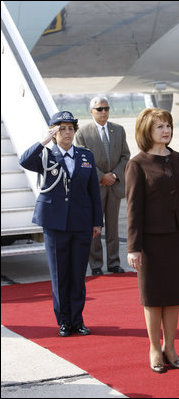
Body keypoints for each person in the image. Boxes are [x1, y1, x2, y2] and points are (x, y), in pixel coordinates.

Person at [125, 108, 179, 373]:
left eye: (168, 125)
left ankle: (171, 346)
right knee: (153, 297)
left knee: (174, 296)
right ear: (147, 131)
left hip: (177, 237)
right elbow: (133, 209)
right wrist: (133, 247)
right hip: (150, 242)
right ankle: (155, 349)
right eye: (159, 127)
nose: (166, 130)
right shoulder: (137, 164)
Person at [19, 111, 103, 337]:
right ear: (54, 132)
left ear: (75, 132)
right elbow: (24, 160)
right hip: (55, 224)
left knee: (77, 274)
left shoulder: (85, 156)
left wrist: (97, 221)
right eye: (61, 129)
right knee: (59, 274)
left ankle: (78, 320)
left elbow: (93, 191)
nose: (67, 133)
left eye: (70, 129)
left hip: (81, 223)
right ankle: (64, 321)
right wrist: (44, 141)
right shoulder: (46, 155)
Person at [75, 96, 130, 276]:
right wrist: (101, 177)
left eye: (106, 108)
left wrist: (114, 175)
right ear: (91, 111)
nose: (104, 112)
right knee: (95, 227)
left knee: (113, 227)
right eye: (99, 109)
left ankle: (114, 262)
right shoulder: (83, 132)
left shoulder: (118, 130)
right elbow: (81, 159)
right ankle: (96, 264)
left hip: (114, 186)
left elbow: (125, 156)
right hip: (95, 187)